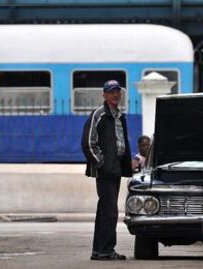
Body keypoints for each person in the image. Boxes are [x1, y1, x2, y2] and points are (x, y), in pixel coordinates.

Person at [81, 80, 132, 261]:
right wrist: (100, 163)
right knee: (110, 211)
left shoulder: (119, 116)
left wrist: (126, 162)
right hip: (105, 170)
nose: (115, 95)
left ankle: (99, 250)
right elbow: (88, 143)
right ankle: (106, 250)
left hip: (115, 168)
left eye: (118, 91)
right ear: (104, 95)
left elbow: (120, 142)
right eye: (111, 92)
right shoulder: (99, 114)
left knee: (105, 210)